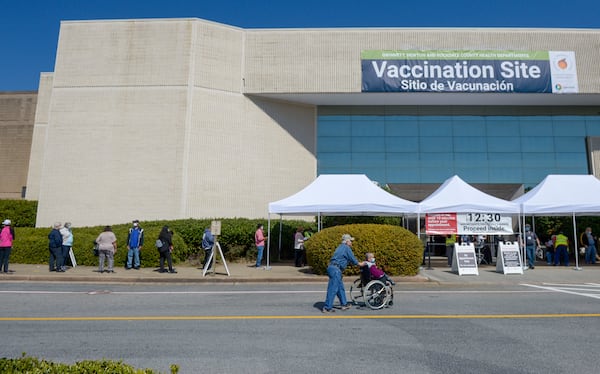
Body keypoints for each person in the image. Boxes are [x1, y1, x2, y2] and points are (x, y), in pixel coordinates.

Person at [322, 234, 367, 313]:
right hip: (336, 269)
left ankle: (344, 304)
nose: (351, 243)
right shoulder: (346, 248)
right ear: (346, 241)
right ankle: (327, 307)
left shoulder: (340, 247)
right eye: (350, 241)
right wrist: (360, 264)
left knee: (340, 288)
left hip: (333, 268)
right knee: (333, 289)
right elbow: (352, 259)